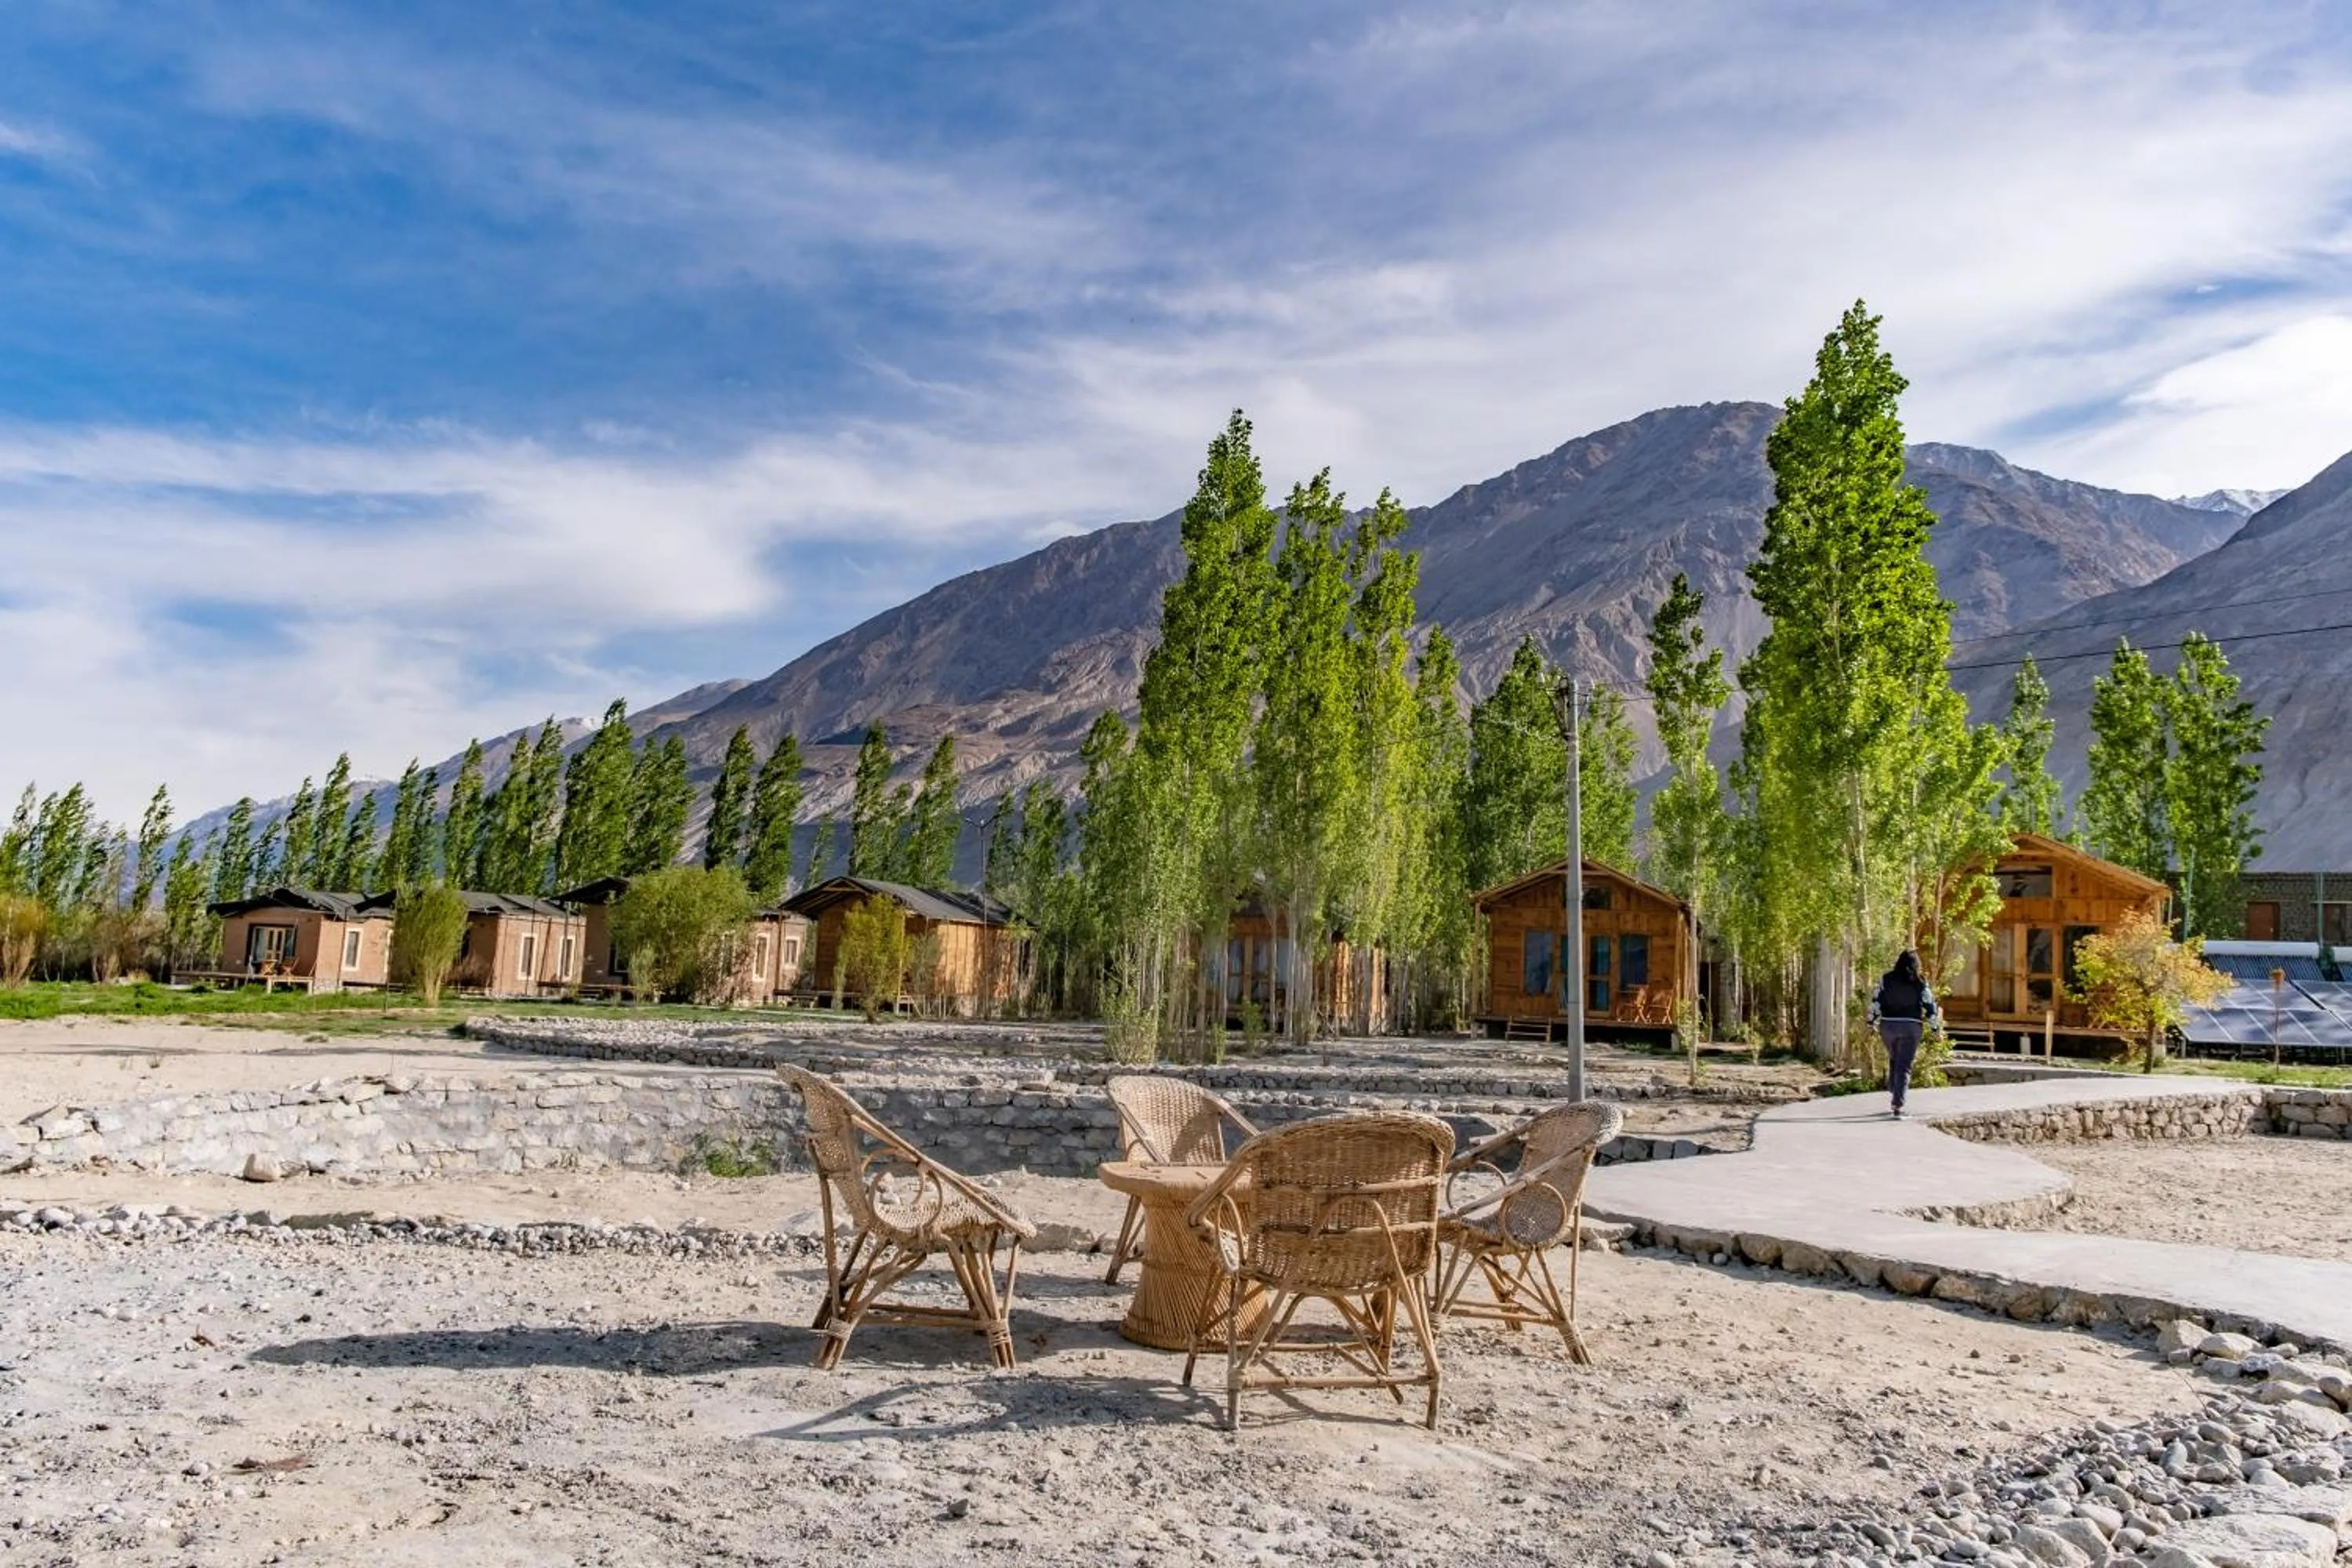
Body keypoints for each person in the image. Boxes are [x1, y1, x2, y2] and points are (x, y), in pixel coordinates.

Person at [1867, 949, 1937, 1119]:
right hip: (1911, 1027)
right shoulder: (1920, 983)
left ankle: (1894, 1088)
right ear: (1916, 965)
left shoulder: (1886, 979)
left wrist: (1871, 1022)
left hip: (1888, 1026)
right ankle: (1897, 1105)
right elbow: (1930, 1006)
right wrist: (1935, 1028)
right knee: (1904, 1065)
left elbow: (1876, 1000)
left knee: (1896, 1058)